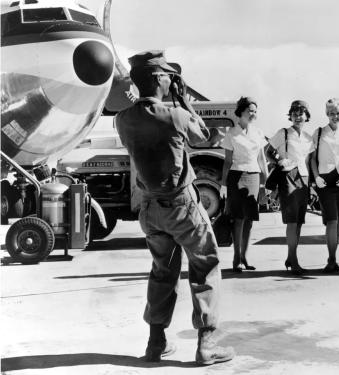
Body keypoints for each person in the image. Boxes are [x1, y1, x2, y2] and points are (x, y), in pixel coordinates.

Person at [114, 50, 234, 365]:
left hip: (149, 208)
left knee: (162, 270)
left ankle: (156, 343)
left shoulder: (122, 120)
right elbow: (203, 134)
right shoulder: (176, 115)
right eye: (168, 74)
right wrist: (184, 102)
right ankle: (206, 345)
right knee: (205, 265)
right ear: (158, 78)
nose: (172, 79)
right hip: (181, 206)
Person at [220, 97, 268, 272]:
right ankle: (236, 258)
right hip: (236, 176)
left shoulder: (258, 133)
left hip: (254, 176)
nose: (253, 114)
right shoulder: (231, 133)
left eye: (255, 111)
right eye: (250, 110)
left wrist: (265, 182)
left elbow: (262, 159)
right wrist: (223, 185)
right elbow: (227, 161)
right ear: (241, 112)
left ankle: (245, 257)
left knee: (249, 220)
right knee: (238, 219)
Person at [266, 100, 313, 275]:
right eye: (294, 113)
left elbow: (309, 161)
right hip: (289, 178)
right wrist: (279, 161)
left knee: (299, 222)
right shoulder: (283, 133)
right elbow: (268, 152)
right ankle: (294, 262)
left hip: (305, 179)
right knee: (292, 222)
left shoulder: (309, 138)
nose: (297, 116)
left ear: (307, 116)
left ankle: (290, 257)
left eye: (301, 113)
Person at [309, 98, 339, 273]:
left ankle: (334, 258)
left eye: (338, 113)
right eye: (331, 113)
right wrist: (316, 177)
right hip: (325, 180)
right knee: (331, 220)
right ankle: (331, 259)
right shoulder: (319, 132)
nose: (335, 116)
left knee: (338, 222)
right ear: (327, 114)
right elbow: (312, 158)